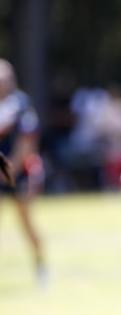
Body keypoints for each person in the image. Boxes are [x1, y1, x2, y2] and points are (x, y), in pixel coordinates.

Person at [0, 58, 47, 287]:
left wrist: (9, 169)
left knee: (26, 221)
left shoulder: (20, 105)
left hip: (18, 172)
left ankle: (40, 266)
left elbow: (27, 142)